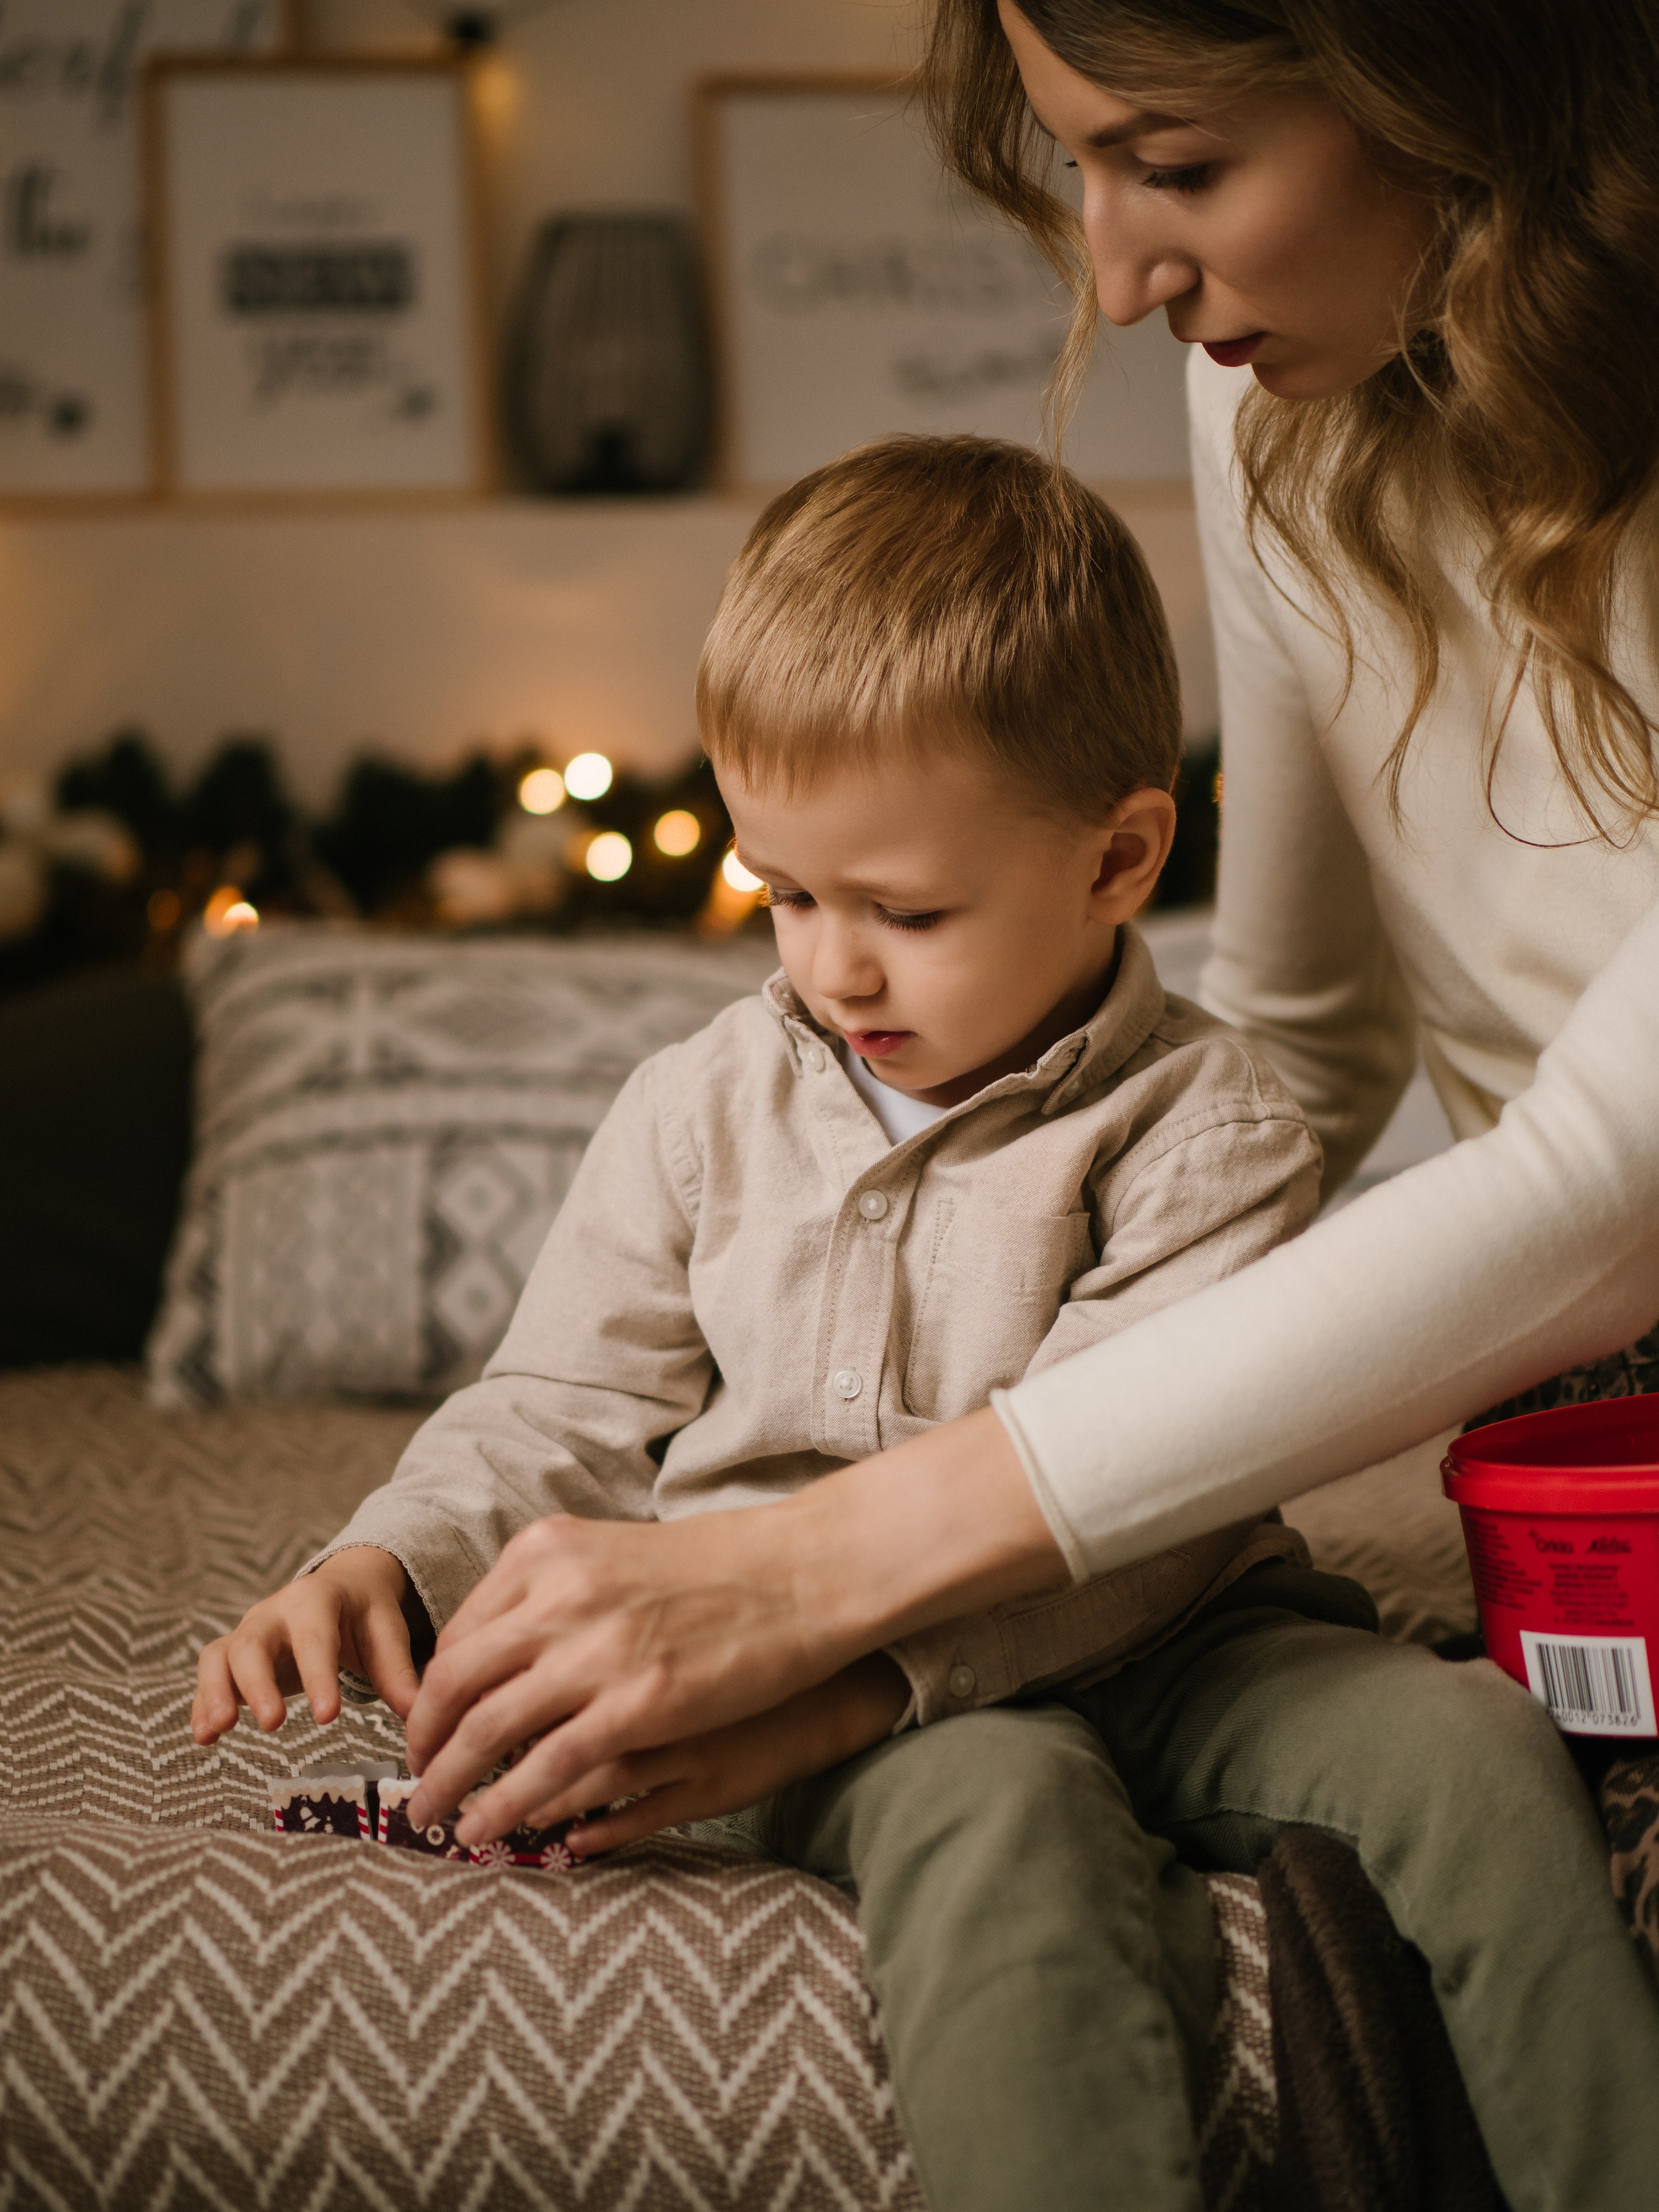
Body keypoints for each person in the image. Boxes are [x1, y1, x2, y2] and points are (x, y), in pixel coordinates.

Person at [196, 436, 1659, 2211]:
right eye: (788, 894)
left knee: (1478, 1747)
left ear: (1119, 858)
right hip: (818, 1686)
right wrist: (392, 1550)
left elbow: (1135, 1505)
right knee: (1010, 1816)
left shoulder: (1216, 1129)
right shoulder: (696, 1107)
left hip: (1181, 1632)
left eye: (907, 910)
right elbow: (564, 1398)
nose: (835, 966)